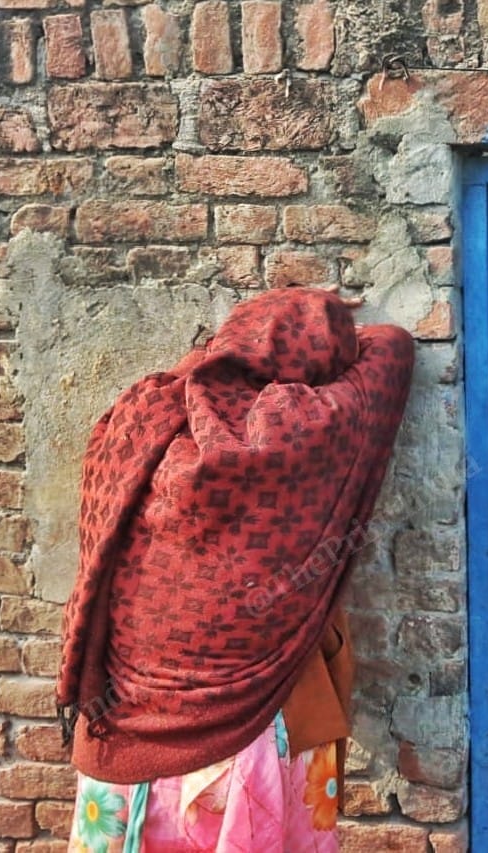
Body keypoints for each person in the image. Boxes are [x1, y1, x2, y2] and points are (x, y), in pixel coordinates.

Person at [57, 286, 415, 851]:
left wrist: (217, 356)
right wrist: (340, 330)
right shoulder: (311, 428)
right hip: (250, 740)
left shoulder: (144, 418)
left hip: (121, 731)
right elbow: (392, 348)